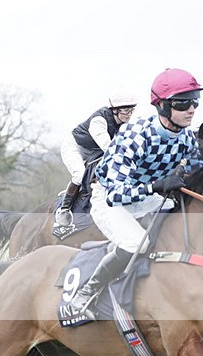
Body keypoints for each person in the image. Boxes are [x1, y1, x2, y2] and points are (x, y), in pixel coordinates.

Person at [69, 68, 202, 318]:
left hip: (146, 198)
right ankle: (86, 294)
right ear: (162, 106)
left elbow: (196, 167)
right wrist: (155, 186)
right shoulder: (135, 135)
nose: (192, 109)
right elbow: (116, 194)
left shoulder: (186, 138)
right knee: (136, 243)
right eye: (183, 103)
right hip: (109, 199)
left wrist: (179, 178)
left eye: (195, 100)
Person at [55, 92, 138, 227]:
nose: (129, 114)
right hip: (75, 147)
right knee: (79, 174)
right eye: (125, 110)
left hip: (94, 150)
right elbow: (109, 148)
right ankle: (64, 208)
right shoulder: (99, 120)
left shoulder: (123, 124)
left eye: (131, 110)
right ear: (115, 110)